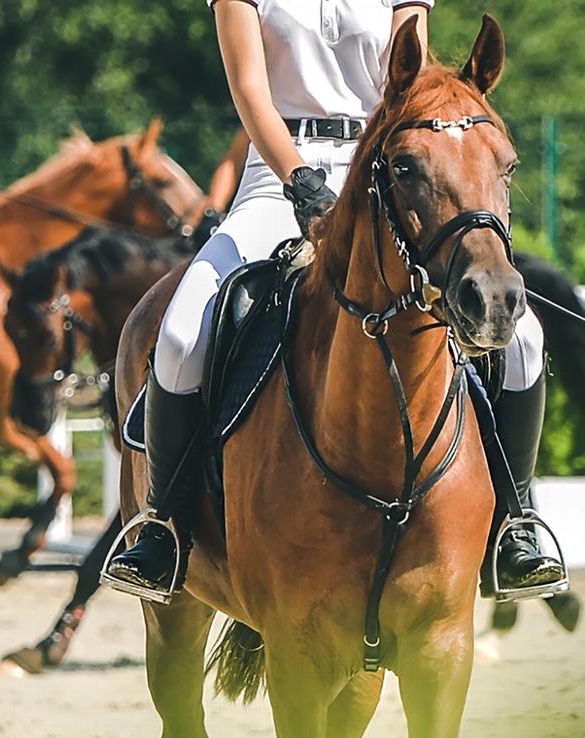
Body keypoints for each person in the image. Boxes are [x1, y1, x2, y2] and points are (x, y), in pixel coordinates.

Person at [107, 0, 566, 602]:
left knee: (524, 337)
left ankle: (515, 524)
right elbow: (251, 91)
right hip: (276, 181)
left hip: (390, 175)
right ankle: (163, 526)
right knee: (180, 333)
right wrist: (300, 182)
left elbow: (410, 82)